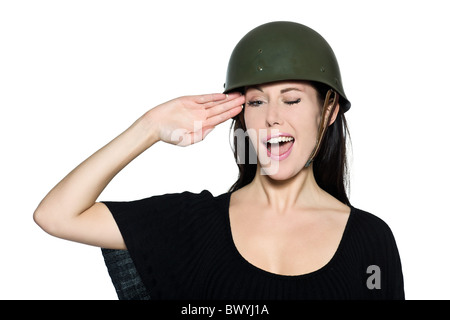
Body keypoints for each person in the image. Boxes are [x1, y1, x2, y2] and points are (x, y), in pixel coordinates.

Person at [34, 21, 404, 299]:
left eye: (291, 100)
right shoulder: (192, 224)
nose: (272, 117)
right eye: (256, 102)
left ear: (328, 111)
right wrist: (148, 127)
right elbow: (56, 215)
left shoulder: (370, 241)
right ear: (240, 115)